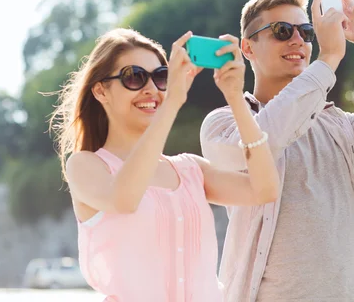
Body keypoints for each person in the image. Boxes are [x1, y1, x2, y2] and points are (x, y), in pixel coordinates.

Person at [200, 0, 354, 302]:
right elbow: (262, 143)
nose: (298, 40)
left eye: (307, 32)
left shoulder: (342, 126)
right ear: (247, 47)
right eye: (283, 31)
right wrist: (327, 60)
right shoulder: (224, 123)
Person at [49, 28, 279, 302]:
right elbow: (124, 199)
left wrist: (235, 98)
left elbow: (265, 190)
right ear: (100, 90)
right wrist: (171, 103)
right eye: (134, 77)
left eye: (160, 77)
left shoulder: (190, 170)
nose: (151, 89)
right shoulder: (86, 165)